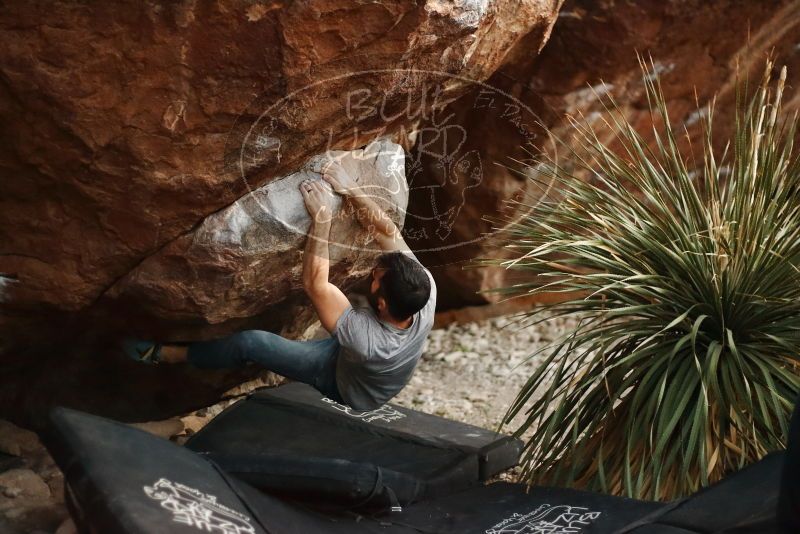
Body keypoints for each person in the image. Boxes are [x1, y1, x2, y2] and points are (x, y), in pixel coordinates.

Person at [123, 160, 436, 411]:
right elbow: (388, 233)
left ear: (381, 303)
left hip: (346, 383)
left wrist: (322, 220)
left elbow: (315, 283)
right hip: (366, 358)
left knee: (252, 343)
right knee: (342, 328)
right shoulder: (422, 288)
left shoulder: (366, 342)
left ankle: (168, 355)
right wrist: (350, 188)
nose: (374, 270)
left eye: (376, 278)